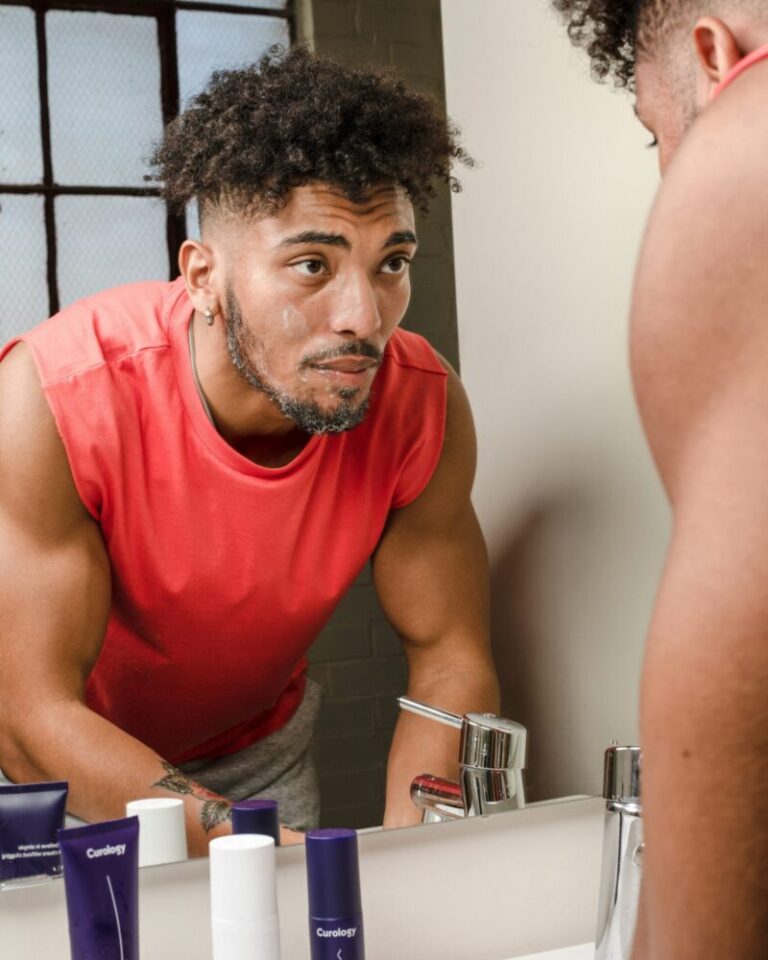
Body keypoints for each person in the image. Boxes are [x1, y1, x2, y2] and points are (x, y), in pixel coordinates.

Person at [0, 47, 499, 856]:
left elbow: (450, 660)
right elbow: (31, 717)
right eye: (312, 265)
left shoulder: (420, 404)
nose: (364, 317)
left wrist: (419, 856)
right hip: (50, 762)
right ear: (202, 277)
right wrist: (279, 854)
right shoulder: (56, 395)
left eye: (392, 264)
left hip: (251, 755)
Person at [552, 2, 768, 958]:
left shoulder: (744, 151)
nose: (668, 166)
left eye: (655, 130)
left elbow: (741, 703)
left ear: (714, 53)